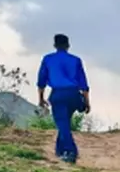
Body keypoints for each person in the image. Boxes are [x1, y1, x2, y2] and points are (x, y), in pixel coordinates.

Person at [36, 34, 90, 164]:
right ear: (68, 46)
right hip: (74, 94)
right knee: (64, 122)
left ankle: (70, 151)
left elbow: (41, 81)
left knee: (62, 123)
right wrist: (87, 102)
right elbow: (84, 84)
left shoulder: (48, 59)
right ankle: (59, 150)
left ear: (55, 45)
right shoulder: (76, 60)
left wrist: (41, 99)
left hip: (58, 94)